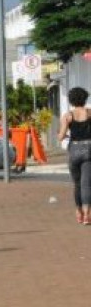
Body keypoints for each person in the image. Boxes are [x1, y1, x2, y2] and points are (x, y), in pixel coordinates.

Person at [58, 87, 91, 225]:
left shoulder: (68, 116)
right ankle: (87, 216)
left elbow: (60, 137)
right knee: (87, 184)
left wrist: (63, 134)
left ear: (71, 100)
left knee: (77, 184)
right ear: (85, 99)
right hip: (89, 149)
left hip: (74, 150)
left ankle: (78, 212)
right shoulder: (90, 113)